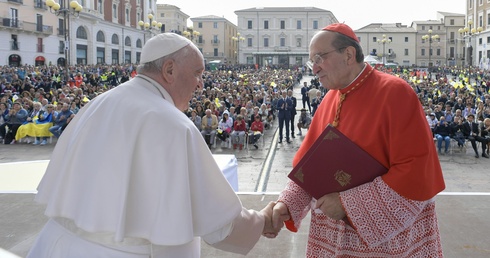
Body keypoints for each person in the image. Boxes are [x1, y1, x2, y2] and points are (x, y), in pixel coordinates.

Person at [27, 33, 284, 258]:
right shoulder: (171, 124)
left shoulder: (99, 102)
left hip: (56, 246)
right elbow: (219, 224)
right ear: (169, 70)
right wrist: (261, 221)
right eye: (197, 73)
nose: (201, 84)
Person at [270, 23, 445, 257]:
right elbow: (308, 169)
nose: (314, 68)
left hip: (386, 244)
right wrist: (285, 205)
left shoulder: (395, 92)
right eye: (312, 61)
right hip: (332, 239)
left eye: (320, 58)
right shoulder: (328, 100)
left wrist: (346, 204)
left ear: (349, 54)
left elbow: (415, 172)